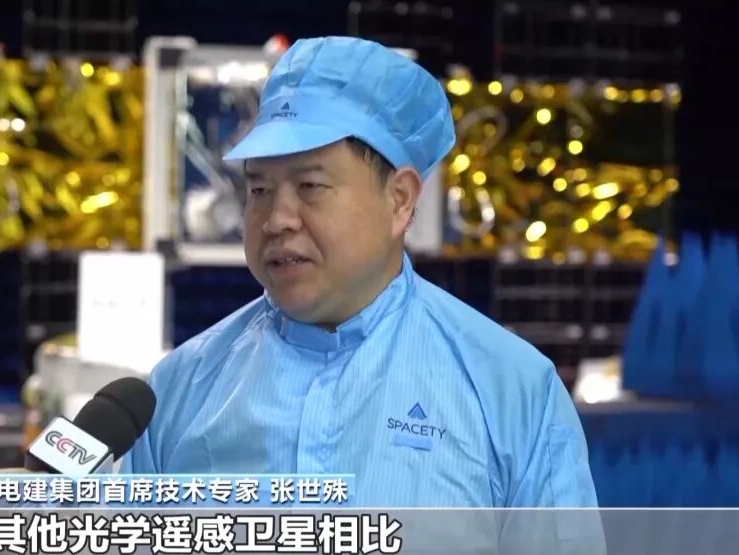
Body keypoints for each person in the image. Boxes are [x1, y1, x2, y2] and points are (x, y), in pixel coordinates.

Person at [120, 36, 599, 508]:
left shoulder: (511, 392)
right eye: (259, 189)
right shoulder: (179, 392)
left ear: (399, 199)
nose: (277, 219)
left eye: (310, 185)